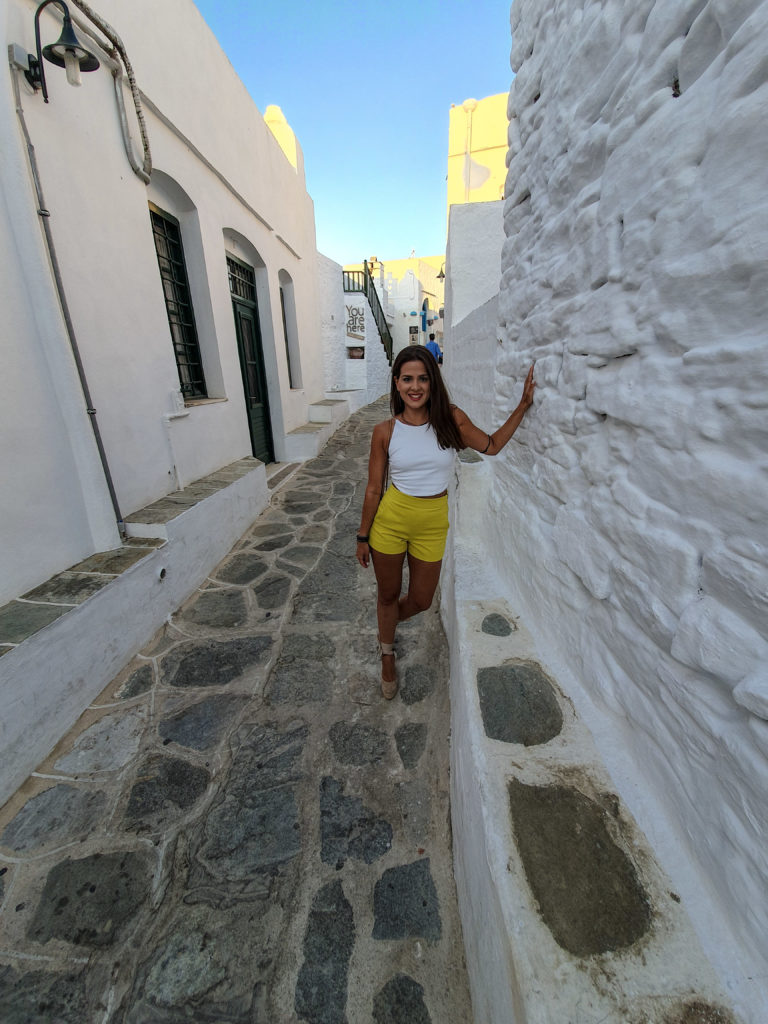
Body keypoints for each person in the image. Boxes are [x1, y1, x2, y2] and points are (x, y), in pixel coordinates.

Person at [356, 345, 535, 698]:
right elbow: (374, 488)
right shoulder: (384, 431)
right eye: (407, 379)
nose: (415, 387)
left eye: (423, 379)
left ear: (433, 382)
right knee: (388, 594)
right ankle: (387, 654)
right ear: (396, 383)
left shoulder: (451, 420)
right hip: (390, 522)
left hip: (432, 523)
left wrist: (523, 405)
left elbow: (492, 445)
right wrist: (363, 536)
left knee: (421, 599)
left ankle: (385, 625)